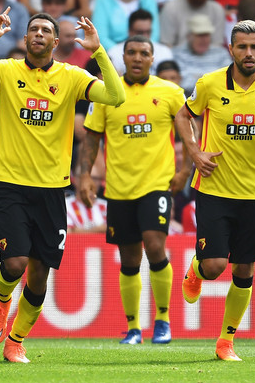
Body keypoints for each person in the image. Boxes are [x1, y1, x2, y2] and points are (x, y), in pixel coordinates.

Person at [0, 8, 125, 362]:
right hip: (11, 187)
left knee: (38, 277)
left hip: (51, 191)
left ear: (56, 41)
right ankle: (2, 300)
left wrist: (98, 51)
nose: (40, 34)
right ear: (26, 37)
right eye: (34, 29)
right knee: (14, 264)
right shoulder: (5, 70)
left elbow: (116, 97)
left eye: (46, 30)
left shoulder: (73, 77)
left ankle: (16, 341)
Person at [174, 20, 255, 361]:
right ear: (231, 49)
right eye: (242, 47)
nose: (249, 53)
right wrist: (195, 152)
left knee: (244, 268)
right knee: (214, 266)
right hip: (214, 188)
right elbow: (183, 116)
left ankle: (226, 342)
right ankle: (195, 270)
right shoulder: (210, 83)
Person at [80, 34, 190, 345]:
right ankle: (133, 328)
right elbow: (91, 138)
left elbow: (189, 134)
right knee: (129, 259)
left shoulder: (170, 92)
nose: (138, 58)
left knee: (155, 246)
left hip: (157, 185)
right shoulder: (106, 93)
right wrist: (85, 176)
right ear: (123, 58)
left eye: (144, 53)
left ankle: (163, 321)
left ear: (153, 59)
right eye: (132, 53)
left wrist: (185, 170)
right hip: (118, 188)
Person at [172, 14, 231, 95]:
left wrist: (196, 77)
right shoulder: (177, 54)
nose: (204, 40)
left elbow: (229, 80)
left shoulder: (221, 53)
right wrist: (213, 78)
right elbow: (182, 83)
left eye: (206, 35)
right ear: (189, 36)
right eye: (199, 35)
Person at [107, 9, 173, 76]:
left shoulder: (164, 52)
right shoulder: (114, 53)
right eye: (140, 32)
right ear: (129, 31)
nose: (145, 36)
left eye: (148, 32)